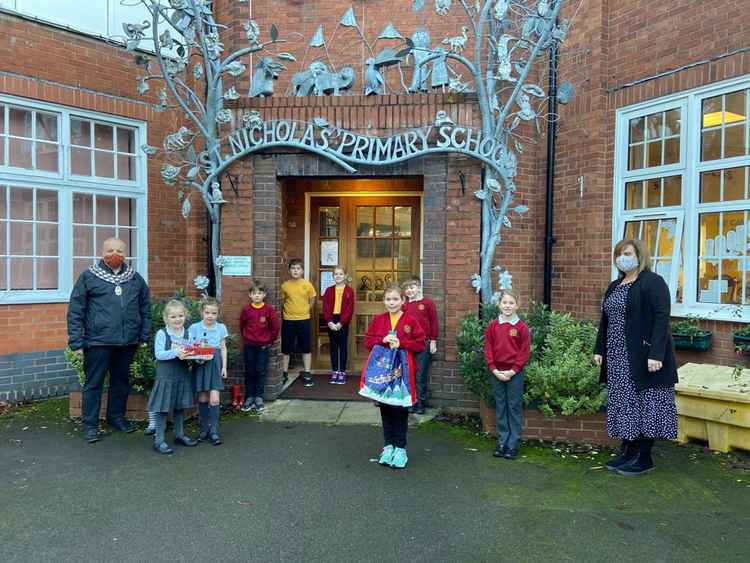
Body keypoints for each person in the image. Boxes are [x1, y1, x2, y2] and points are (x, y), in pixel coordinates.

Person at [593, 239, 678, 476]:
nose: (623, 258)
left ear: (639, 255)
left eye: (627, 253)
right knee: (625, 403)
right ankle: (629, 450)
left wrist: (656, 354)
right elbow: (605, 321)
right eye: (619, 254)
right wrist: (599, 349)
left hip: (644, 355)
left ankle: (644, 456)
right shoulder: (615, 285)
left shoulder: (652, 282)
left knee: (647, 403)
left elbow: (662, 318)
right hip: (618, 356)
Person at [67, 238, 151, 443]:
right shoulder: (88, 277)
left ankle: (116, 418)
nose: (115, 254)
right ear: (102, 252)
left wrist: (143, 336)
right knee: (93, 384)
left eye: (120, 250)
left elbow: (145, 308)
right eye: (110, 250)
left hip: (127, 342)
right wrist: (77, 342)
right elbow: (76, 311)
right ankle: (90, 426)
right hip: (97, 342)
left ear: (126, 253)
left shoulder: (135, 279)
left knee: (121, 383)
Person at [364, 283, 426, 469]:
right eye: (388, 299)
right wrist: (381, 340)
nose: (392, 303)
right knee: (386, 409)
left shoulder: (410, 321)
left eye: (395, 299)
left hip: (403, 373)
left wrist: (402, 343)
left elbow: (420, 344)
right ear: (384, 301)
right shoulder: (379, 320)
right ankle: (388, 446)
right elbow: (368, 341)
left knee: (400, 410)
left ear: (403, 301)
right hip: (384, 373)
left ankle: (400, 448)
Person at [483, 289, 531, 460]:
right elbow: (488, 349)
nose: (507, 306)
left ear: (517, 305)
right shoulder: (493, 326)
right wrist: (494, 369)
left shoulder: (521, 328)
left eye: (511, 303)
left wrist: (512, 371)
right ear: (499, 304)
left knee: (514, 407)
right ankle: (502, 442)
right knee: (501, 407)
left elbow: (524, 352)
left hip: (514, 374)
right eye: (504, 302)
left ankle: (512, 444)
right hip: (496, 373)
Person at [147, 299, 197, 455]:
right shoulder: (162, 333)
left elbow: (191, 352)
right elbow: (159, 354)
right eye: (173, 317)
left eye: (180, 316)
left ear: (185, 316)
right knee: (162, 409)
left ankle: (179, 435)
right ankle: (159, 440)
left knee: (180, 406)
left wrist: (198, 356)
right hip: (165, 377)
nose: (177, 319)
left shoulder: (188, 333)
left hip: (181, 375)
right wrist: (176, 352)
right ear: (166, 318)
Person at [188, 298, 229, 445]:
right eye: (207, 312)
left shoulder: (221, 328)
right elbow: (190, 346)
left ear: (218, 314)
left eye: (214, 313)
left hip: (215, 363)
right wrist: (196, 354)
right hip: (200, 363)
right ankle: (204, 429)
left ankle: (214, 431)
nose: (210, 316)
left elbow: (223, 348)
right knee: (203, 397)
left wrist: (224, 367)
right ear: (201, 312)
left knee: (215, 398)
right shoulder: (194, 328)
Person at [239, 280, 280, 413]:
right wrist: (246, 337)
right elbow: (242, 326)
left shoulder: (269, 310)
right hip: (249, 344)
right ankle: (249, 397)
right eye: (254, 293)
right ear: (250, 295)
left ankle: (258, 397)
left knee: (261, 371)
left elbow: (275, 327)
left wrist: (269, 340)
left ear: (264, 295)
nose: (257, 296)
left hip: (263, 345)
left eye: (260, 293)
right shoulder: (246, 310)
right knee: (250, 371)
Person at [402, 274, 439, 414]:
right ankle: (411, 402)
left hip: (423, 344)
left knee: (421, 374)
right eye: (407, 289)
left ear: (418, 287)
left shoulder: (427, 303)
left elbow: (434, 322)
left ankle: (421, 403)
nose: (409, 290)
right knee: (409, 373)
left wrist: (433, 340)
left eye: (412, 287)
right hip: (408, 344)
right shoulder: (404, 306)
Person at [280, 258, 317, 387]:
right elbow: (283, 301)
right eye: (293, 268)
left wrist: (307, 308)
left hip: (304, 319)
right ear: (289, 270)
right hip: (288, 320)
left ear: (302, 271)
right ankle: (284, 373)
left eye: (298, 268)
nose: (295, 271)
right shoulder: (285, 285)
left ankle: (307, 372)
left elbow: (312, 298)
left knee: (306, 346)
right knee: (286, 348)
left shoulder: (307, 284)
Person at [321, 266, 355, 385]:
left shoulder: (349, 291)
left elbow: (349, 309)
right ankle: (335, 371)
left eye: (341, 274)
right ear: (333, 276)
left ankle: (342, 372)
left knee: (343, 346)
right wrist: (329, 322)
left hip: (343, 321)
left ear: (345, 276)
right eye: (336, 274)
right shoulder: (329, 290)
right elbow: (325, 307)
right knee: (333, 347)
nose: (338, 276)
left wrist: (341, 323)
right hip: (332, 320)